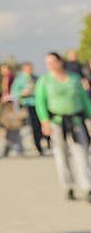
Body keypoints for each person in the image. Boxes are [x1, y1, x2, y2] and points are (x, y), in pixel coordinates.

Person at [35, 52, 91, 202]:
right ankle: (69, 186)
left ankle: (86, 186)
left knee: (81, 151)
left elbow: (84, 99)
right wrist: (44, 121)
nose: (51, 65)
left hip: (76, 120)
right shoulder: (44, 80)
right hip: (57, 122)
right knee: (61, 154)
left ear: (60, 62)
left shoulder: (74, 78)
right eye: (48, 63)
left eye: (53, 61)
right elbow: (40, 102)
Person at [12, 62, 46, 155]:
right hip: (27, 105)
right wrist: (23, 93)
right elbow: (14, 92)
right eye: (28, 69)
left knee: (39, 125)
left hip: (38, 104)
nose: (30, 70)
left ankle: (41, 142)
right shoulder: (19, 79)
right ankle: (34, 145)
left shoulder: (37, 78)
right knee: (30, 126)